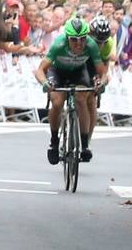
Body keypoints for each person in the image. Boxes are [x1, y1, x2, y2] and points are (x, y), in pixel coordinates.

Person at [34, 16, 107, 165]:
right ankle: (54, 142)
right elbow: (40, 70)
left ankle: (85, 145)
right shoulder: (59, 44)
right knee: (57, 102)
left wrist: (102, 83)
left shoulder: (91, 45)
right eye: (74, 39)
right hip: (57, 72)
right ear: (67, 37)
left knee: (81, 99)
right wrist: (45, 82)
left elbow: (103, 71)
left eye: (82, 39)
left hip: (78, 72)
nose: (79, 43)